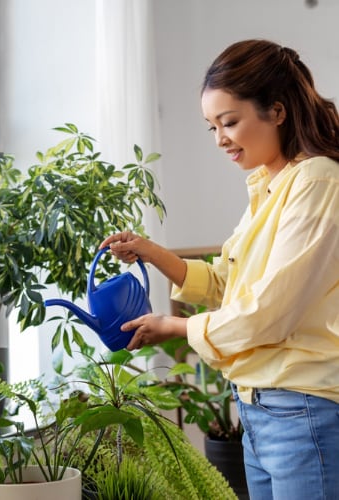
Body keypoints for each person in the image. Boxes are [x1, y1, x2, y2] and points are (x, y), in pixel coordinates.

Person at [99, 39, 339, 500]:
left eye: (229, 122)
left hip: (301, 408)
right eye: (211, 127)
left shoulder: (317, 180)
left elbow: (270, 310)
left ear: (277, 110)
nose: (220, 139)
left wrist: (174, 326)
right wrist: (152, 251)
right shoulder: (268, 186)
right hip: (258, 408)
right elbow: (229, 284)